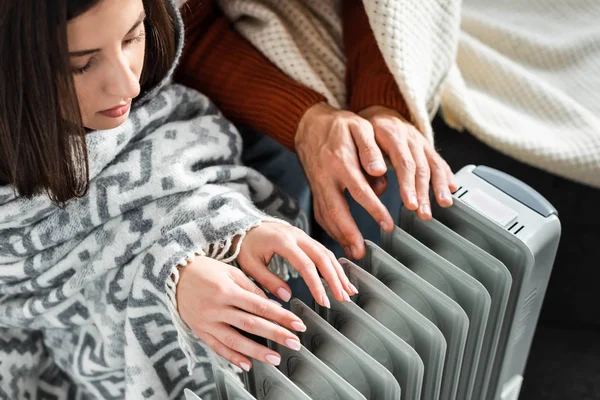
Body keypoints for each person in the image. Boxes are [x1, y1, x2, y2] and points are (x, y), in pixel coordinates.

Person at [0, 0, 355, 398]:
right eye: (81, 64)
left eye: (133, 36)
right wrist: (168, 278)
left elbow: (187, 179)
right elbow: (36, 296)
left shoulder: (160, 111)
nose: (128, 86)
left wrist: (236, 230)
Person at [175, 0, 458, 261]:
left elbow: (388, 10)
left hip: (362, 38)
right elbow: (182, 24)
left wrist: (381, 101)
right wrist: (304, 121)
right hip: (220, 49)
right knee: (290, 174)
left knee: (383, 163)